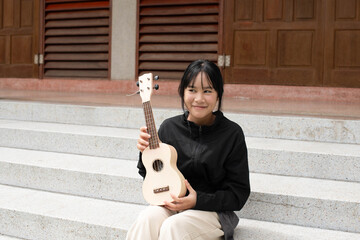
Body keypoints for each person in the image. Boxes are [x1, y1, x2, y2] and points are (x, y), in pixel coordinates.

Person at [126, 59, 250, 240]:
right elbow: (149, 174)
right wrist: (145, 151)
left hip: (212, 211)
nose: (199, 99)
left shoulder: (232, 134)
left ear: (218, 95)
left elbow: (238, 194)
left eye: (207, 91)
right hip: (170, 204)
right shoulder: (169, 127)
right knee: (147, 218)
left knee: (174, 226)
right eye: (192, 90)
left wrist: (197, 200)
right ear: (182, 92)